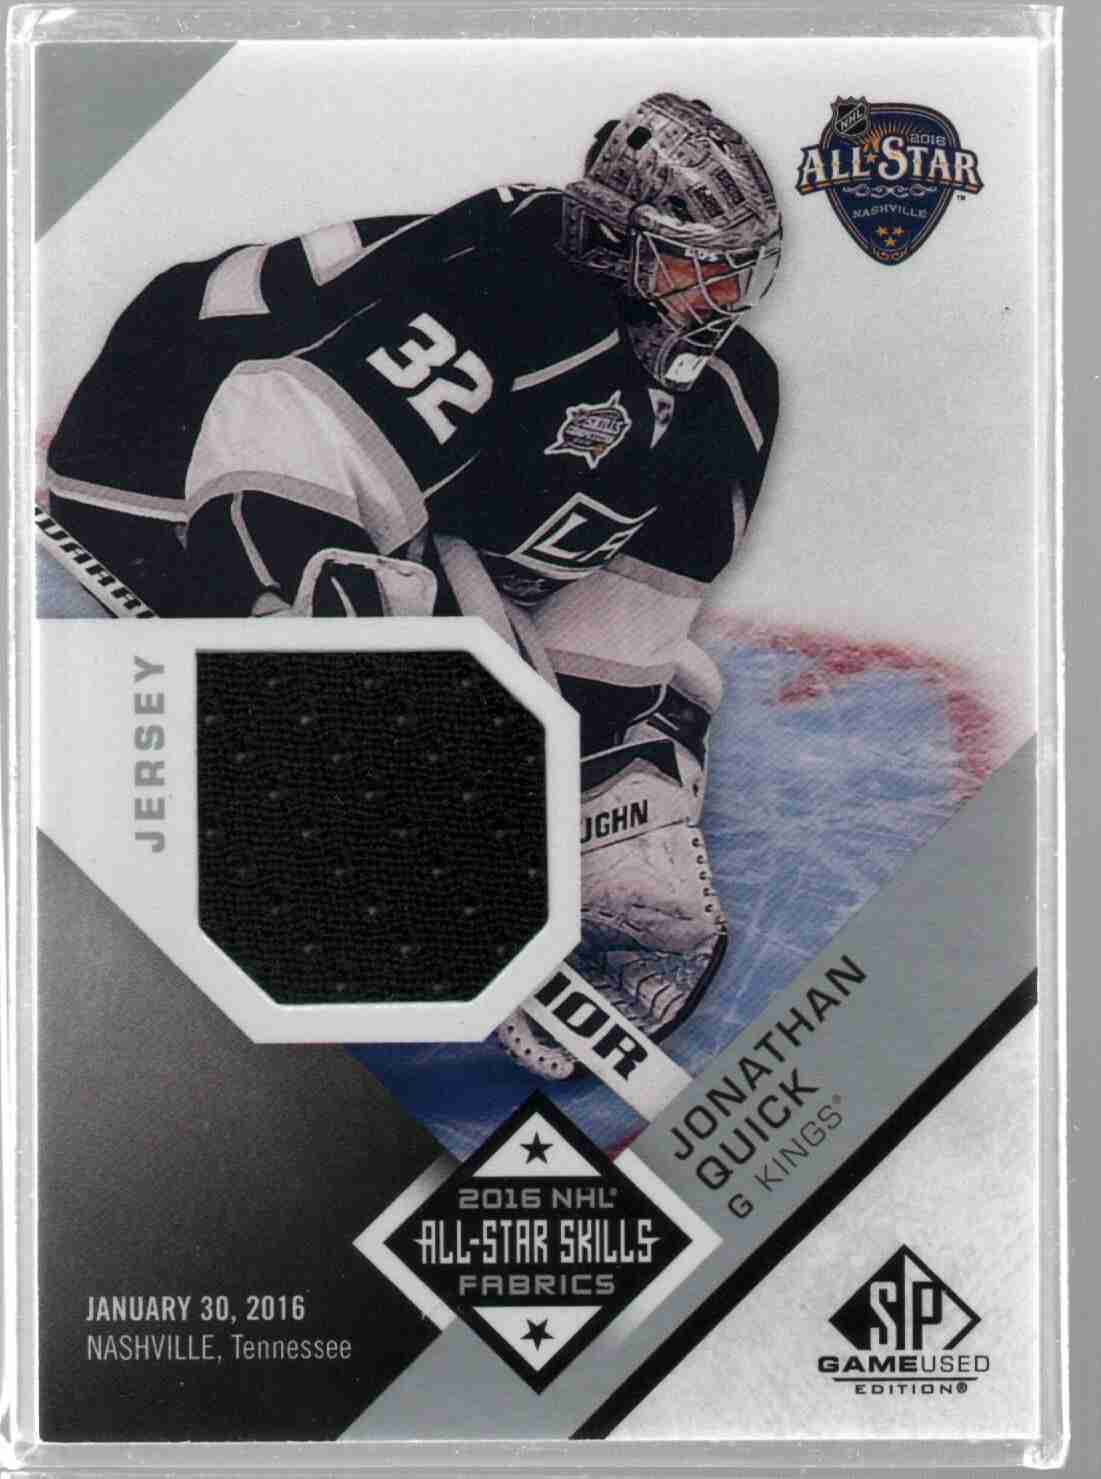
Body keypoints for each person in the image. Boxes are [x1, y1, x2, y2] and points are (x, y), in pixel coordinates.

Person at [45, 92, 782, 1078]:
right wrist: (353, 692)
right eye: (695, 265)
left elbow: (616, 639)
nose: (723, 296)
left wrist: (577, 793)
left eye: (740, 268)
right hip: (152, 455)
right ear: (615, 244)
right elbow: (277, 444)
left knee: (651, 706)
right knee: (379, 625)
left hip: (383, 483)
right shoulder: (505, 293)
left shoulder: (730, 398)